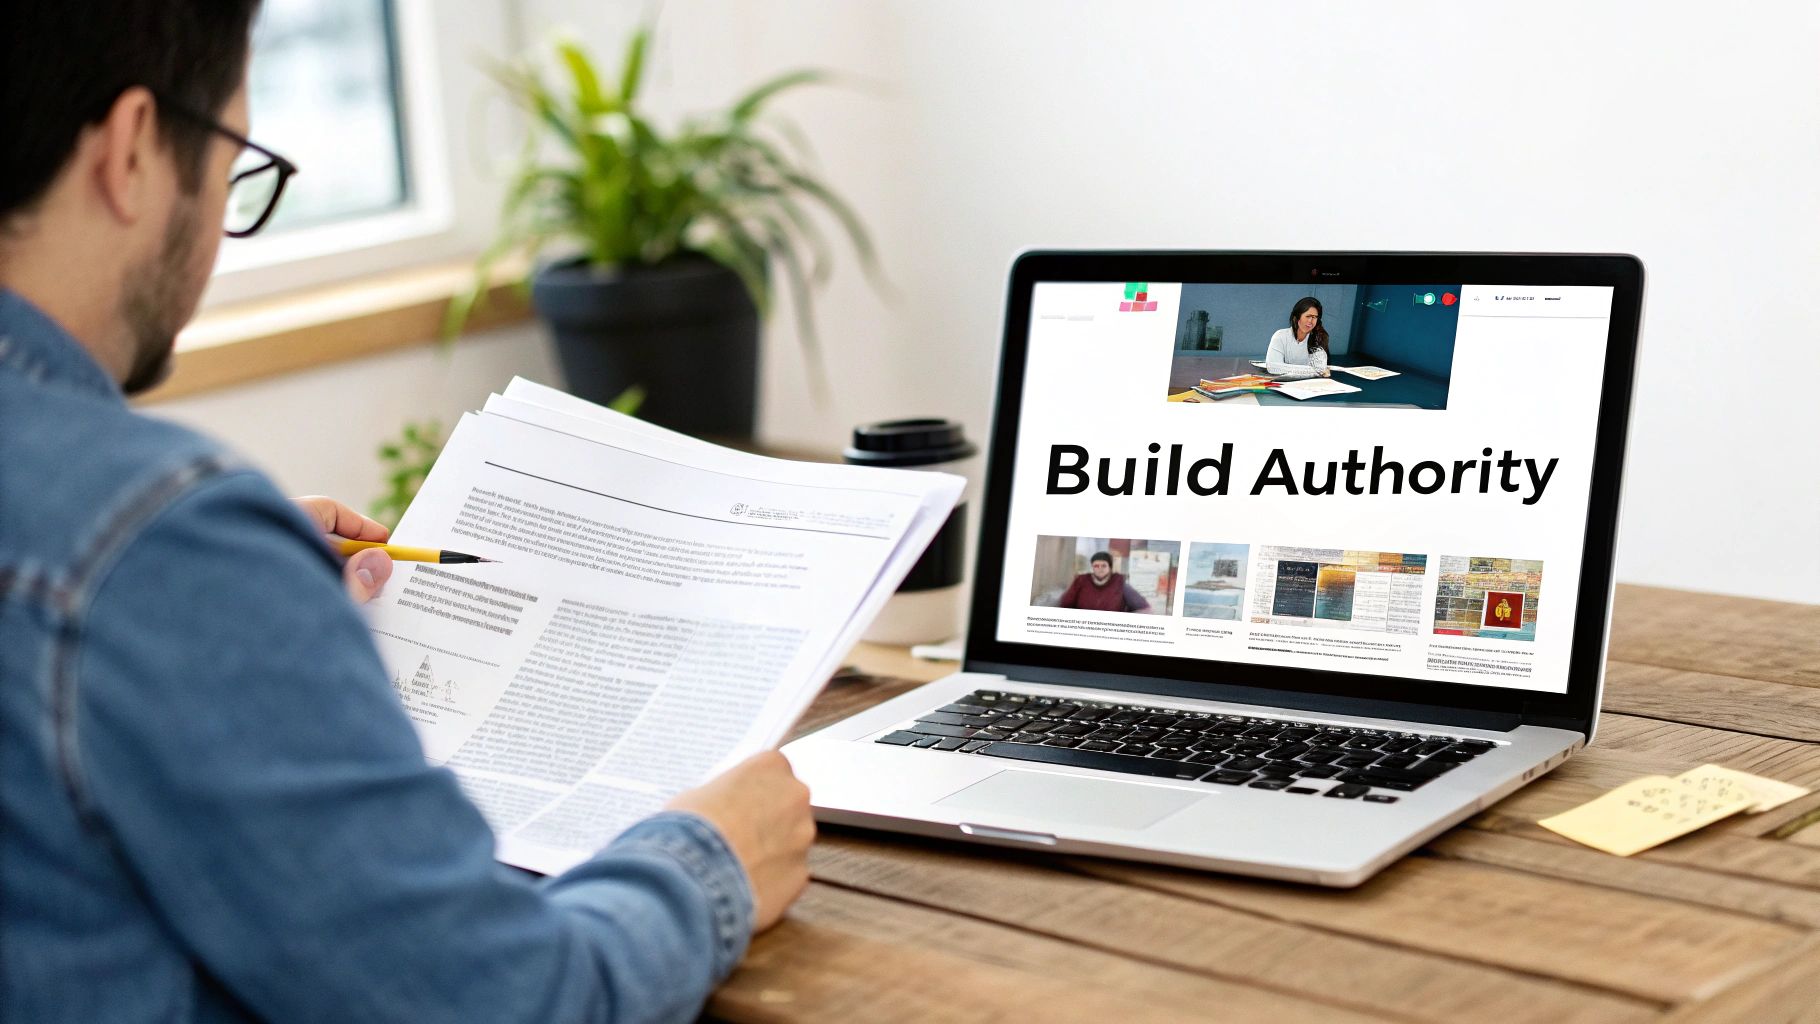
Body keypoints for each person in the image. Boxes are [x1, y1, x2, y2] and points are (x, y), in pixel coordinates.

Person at [0, 4, 814, 1022]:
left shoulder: (136, 547)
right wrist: (711, 859)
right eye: (229, 164)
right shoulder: (153, 541)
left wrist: (219, 591)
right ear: (129, 153)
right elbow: (506, 1002)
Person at [1055, 551, 1152, 613]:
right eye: (1096, 566)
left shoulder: (1120, 584)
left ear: (1110, 567)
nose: (1100, 569)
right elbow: (1065, 603)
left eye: (1104, 566)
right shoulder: (1081, 581)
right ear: (1092, 567)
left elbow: (1143, 608)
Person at [1264, 296, 1332, 379]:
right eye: (1308, 316)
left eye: (1314, 317)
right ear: (1297, 317)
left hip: (1309, 385)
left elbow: (1320, 370)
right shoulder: (1280, 336)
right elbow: (1273, 368)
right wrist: (1312, 371)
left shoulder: (1318, 338)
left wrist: (1285, 368)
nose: (1310, 321)